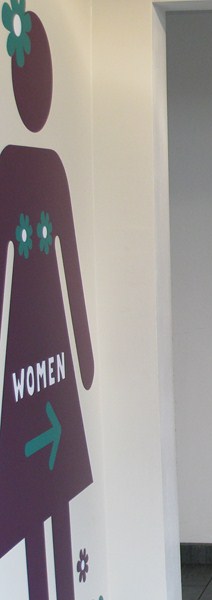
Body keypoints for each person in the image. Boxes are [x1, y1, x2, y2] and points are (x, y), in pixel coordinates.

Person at [0, 5, 94, 599]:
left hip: (43, 339)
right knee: (38, 487)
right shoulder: (25, 166)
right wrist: (81, 352)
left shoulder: (36, 167)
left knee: (52, 485)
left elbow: (71, 260)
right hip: (34, 341)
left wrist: (82, 351)